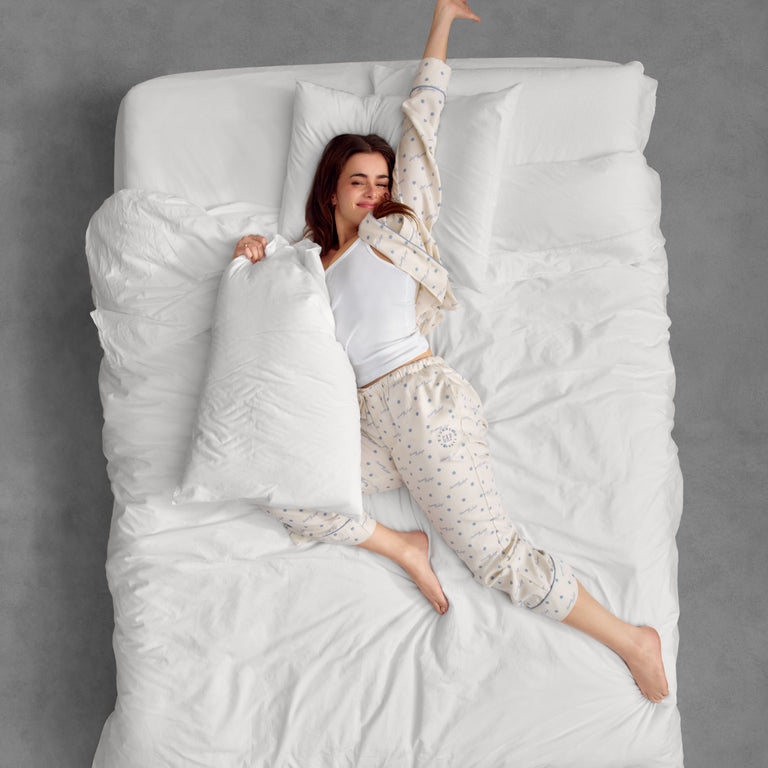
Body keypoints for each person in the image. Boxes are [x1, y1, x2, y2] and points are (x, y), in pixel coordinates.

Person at [233, 0, 669, 704]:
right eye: (359, 182)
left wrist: (438, 25)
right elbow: (265, 318)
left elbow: (422, 123)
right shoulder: (304, 264)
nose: (374, 194)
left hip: (418, 398)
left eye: (380, 182)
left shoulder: (396, 230)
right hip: (364, 418)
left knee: (496, 557)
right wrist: (250, 253)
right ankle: (402, 547)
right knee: (285, 494)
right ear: (332, 190)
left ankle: (630, 640)